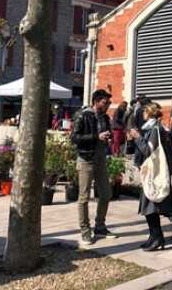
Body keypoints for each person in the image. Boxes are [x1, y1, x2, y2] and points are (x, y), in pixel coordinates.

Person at [70, 89, 117, 246]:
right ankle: (85, 230)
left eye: (109, 103)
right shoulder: (83, 115)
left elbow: (108, 132)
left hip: (100, 157)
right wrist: (96, 136)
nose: (108, 105)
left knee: (106, 193)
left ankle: (100, 226)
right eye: (105, 102)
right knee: (84, 197)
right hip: (86, 159)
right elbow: (74, 138)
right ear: (96, 101)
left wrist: (108, 138)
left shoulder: (105, 117)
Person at [129, 103, 172, 251]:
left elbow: (148, 151)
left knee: (150, 207)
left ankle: (158, 238)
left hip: (154, 175)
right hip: (153, 173)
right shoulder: (155, 128)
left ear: (148, 113)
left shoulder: (155, 129)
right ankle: (153, 237)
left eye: (144, 112)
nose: (142, 114)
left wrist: (137, 137)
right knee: (148, 207)